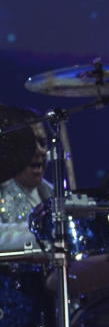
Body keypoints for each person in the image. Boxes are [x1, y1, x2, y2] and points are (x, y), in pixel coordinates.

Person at [0, 106, 51, 251]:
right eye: (30, 144)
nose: (39, 150)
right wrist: (53, 232)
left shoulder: (54, 195)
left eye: (42, 143)